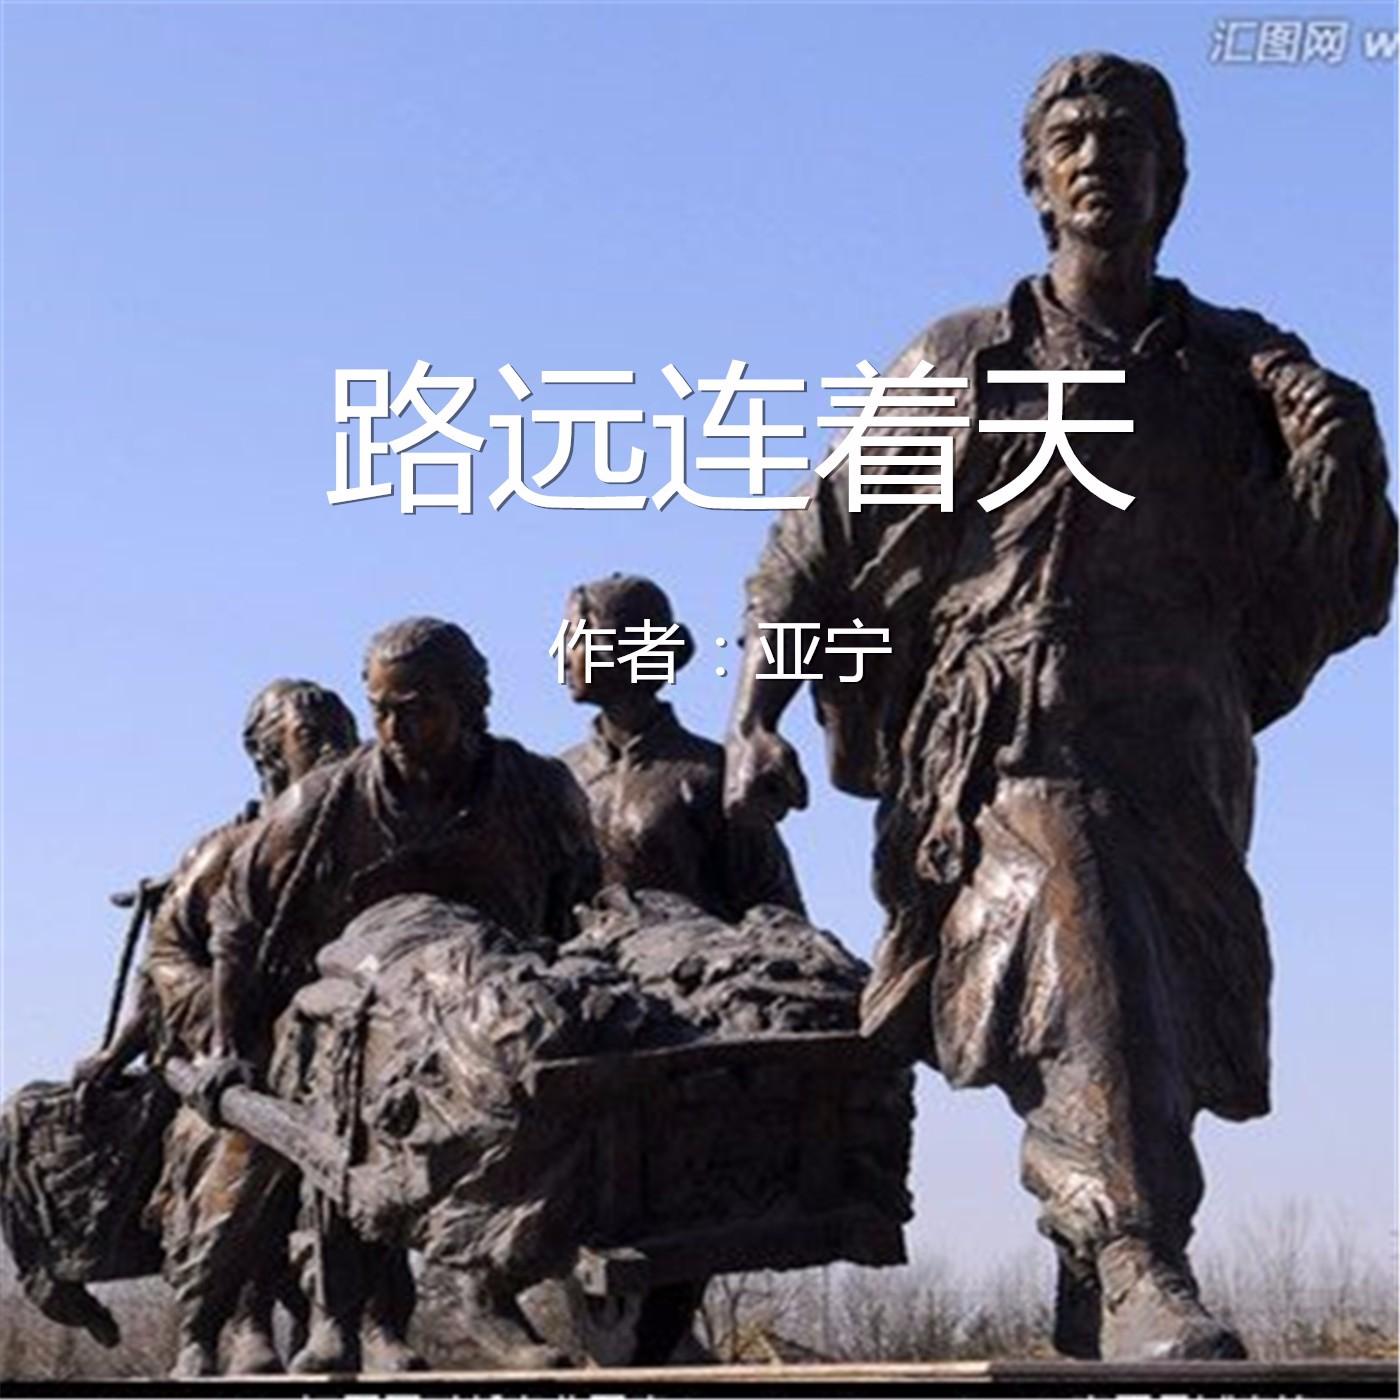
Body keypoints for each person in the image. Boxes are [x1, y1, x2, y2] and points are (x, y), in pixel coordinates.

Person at [723, 52, 1395, 1361]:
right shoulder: (967, 360)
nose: (1098, 158)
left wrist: (1339, 440)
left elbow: (1337, 574)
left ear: (1172, 180)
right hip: (1005, 748)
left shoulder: (1235, 372)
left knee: (1154, 1009)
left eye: (1128, 138)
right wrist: (757, 715)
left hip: (1183, 756)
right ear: (1034, 182)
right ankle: (1135, 1250)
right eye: (1072, 138)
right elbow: (814, 545)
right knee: (1084, 949)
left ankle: (1095, 1281)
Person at [195, 618, 600, 1371]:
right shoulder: (324, 802)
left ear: (472, 703)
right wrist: (227, 1045)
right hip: (359, 1002)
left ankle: (486, 1291)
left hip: (495, 999)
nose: (394, 729)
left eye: (418, 710)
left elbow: (585, 898)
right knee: (349, 1097)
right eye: (381, 710)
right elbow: (237, 920)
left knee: (526, 1097)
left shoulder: (539, 789)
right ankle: (342, 1317)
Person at [95, 679, 360, 1376]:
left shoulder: (363, 841)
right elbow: (165, 959)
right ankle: (232, 1322)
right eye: (311, 737)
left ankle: (364, 1317)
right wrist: (128, 1050)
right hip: (239, 1052)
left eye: (342, 732)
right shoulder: (227, 850)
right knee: (237, 1141)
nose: (334, 748)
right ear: (268, 756)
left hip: (336, 1044)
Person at [560, 573, 804, 921]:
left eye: (576, 639)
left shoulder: (713, 776)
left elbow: (776, 908)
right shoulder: (559, 779)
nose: (564, 658)